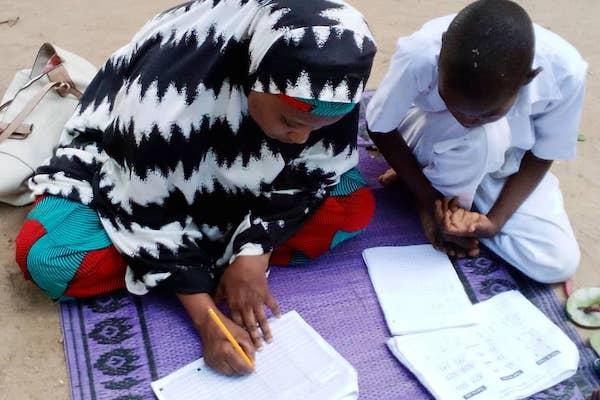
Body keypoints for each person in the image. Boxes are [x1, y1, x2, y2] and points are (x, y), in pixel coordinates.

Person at [15, 0, 376, 376]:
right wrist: (207, 321)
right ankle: (197, 268)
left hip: (230, 183)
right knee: (50, 257)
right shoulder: (168, 94)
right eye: (290, 121)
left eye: (315, 127)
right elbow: (145, 204)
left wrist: (255, 251)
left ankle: (200, 265)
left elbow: (315, 170)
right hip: (131, 167)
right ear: (253, 75)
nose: (301, 138)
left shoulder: (332, 74)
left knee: (351, 207)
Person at [366, 0, 587, 284]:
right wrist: (430, 199)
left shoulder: (566, 71)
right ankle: (436, 203)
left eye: (487, 112)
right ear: (440, 54)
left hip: (509, 160)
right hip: (427, 134)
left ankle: (452, 216)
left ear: (527, 79)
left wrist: (494, 222)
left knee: (555, 263)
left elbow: (544, 153)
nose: (466, 119)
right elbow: (380, 126)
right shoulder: (421, 53)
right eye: (452, 102)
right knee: (481, 138)